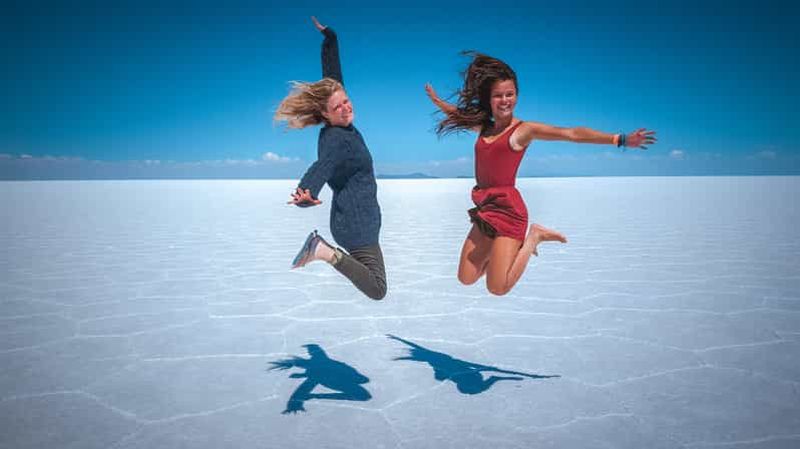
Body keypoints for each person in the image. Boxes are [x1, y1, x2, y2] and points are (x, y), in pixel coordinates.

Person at [426, 52, 656, 296]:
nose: (504, 100)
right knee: (466, 277)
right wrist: (438, 102)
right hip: (486, 208)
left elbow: (571, 134)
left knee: (497, 287)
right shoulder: (484, 127)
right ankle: (502, 254)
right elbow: (458, 115)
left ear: (517, 96)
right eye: (498, 95)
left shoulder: (523, 130)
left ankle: (534, 237)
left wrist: (620, 139)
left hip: (508, 212)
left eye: (510, 94)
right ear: (489, 99)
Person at [274, 17, 386, 300]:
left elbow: (333, 80)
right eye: (338, 107)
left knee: (374, 282)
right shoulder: (336, 139)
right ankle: (322, 250)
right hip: (356, 224)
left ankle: (324, 250)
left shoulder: (339, 123)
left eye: (346, 101)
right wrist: (306, 192)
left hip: (358, 219)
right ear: (325, 113)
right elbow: (322, 166)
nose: (346, 108)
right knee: (377, 288)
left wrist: (330, 40)